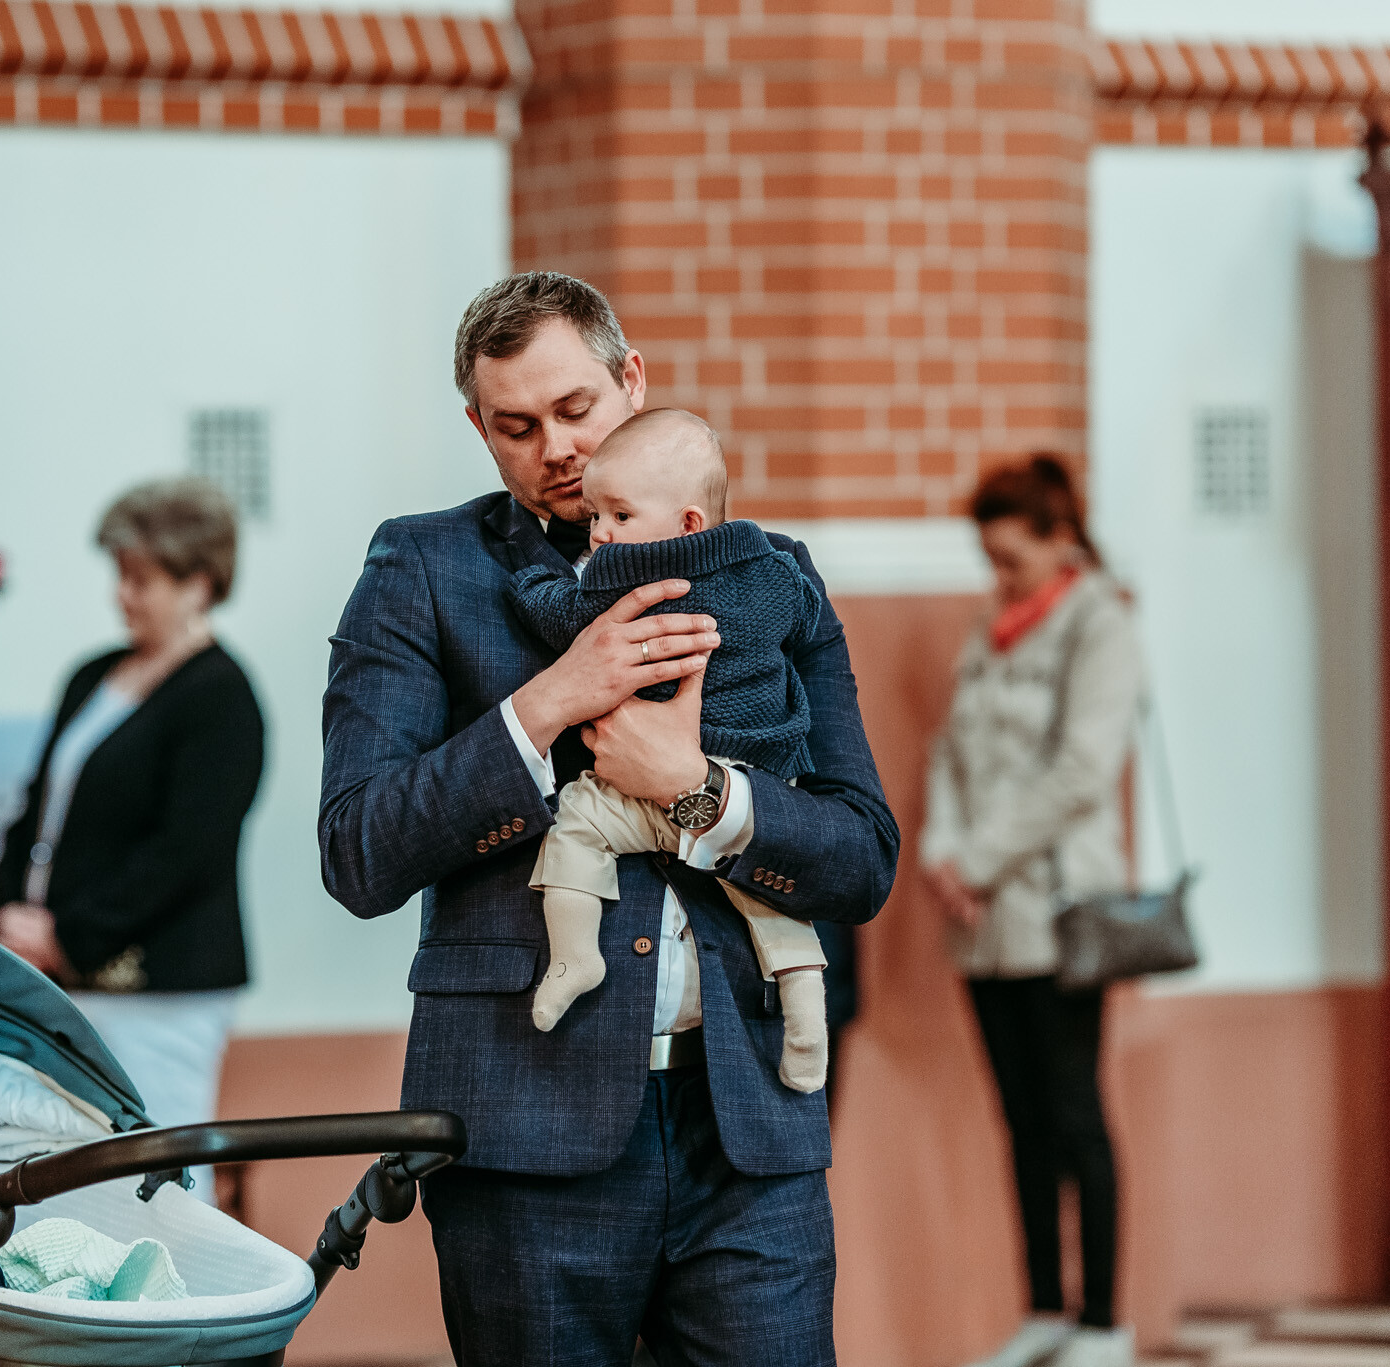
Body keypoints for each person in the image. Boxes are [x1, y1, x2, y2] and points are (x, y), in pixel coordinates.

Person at [319, 271, 898, 1366]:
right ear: (477, 428)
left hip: (749, 1136)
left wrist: (699, 792)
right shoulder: (422, 567)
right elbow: (357, 850)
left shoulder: (772, 574)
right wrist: (545, 707)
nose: (557, 449)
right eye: (516, 426)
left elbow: (862, 856)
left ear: (630, 378)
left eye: (576, 407)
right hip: (523, 1130)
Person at [505, 407, 832, 1094]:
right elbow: (804, 615)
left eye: (619, 515)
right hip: (753, 780)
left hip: (639, 794)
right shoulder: (772, 572)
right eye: (597, 515)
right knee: (770, 900)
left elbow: (561, 614)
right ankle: (806, 1015)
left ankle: (574, 954)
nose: (600, 532)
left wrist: (532, 582)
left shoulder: (622, 579)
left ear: (686, 523)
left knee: (577, 825)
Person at [921, 454, 1141, 1367]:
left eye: (1011, 557)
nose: (998, 575)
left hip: (1058, 913)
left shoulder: (1101, 622)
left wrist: (975, 859)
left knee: (1075, 1114)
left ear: (1059, 540)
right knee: (1021, 1121)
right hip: (981, 924)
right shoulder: (992, 628)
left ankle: (1104, 1322)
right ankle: (1045, 1310)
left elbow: (1083, 769)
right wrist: (941, 853)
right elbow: (948, 750)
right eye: (990, 559)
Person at [0, 477, 263, 1199]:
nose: (122, 594)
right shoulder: (92, 674)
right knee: (73, 1185)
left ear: (198, 583)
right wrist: (12, 910)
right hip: (66, 975)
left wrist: (67, 937)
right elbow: (37, 810)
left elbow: (186, 853)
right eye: (120, 574)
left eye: (141, 579)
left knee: (159, 1185)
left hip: (162, 987)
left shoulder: (222, 697)